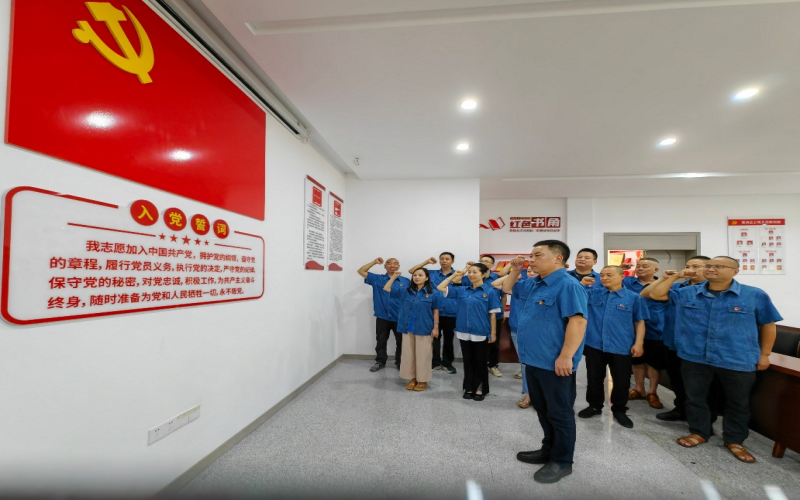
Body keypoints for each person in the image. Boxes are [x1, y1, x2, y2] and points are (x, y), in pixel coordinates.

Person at [646, 256, 781, 463]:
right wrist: (676, 276)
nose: (711, 269)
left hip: (737, 357)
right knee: (695, 398)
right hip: (694, 355)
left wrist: (765, 354)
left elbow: (768, 325)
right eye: (708, 266)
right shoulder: (687, 292)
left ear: (734, 271)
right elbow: (656, 294)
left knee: (738, 402)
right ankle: (699, 432)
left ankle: (734, 440)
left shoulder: (754, 295)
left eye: (718, 266)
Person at [503, 240, 588, 484]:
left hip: (555, 363)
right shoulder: (535, 283)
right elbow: (508, 288)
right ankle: (548, 449)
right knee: (543, 409)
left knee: (560, 413)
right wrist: (516, 270)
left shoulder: (568, 285)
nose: (532, 259)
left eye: (538, 255)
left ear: (558, 258)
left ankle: (562, 461)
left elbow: (578, 322)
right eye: (531, 255)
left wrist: (566, 356)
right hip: (533, 360)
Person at [640, 256, 709, 421]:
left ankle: (699, 418)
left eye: (696, 266)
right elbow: (647, 293)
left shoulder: (711, 289)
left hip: (697, 345)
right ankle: (681, 409)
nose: (690, 269)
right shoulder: (678, 286)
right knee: (676, 379)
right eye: (688, 265)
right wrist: (667, 278)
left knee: (697, 384)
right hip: (672, 341)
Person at [578, 266, 648, 428]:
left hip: (621, 345)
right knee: (594, 378)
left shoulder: (633, 298)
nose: (604, 278)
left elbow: (640, 321)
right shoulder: (592, 293)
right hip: (595, 344)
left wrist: (639, 343)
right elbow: (573, 297)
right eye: (602, 275)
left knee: (622, 380)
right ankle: (594, 406)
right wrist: (582, 284)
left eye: (609, 275)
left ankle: (619, 409)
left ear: (622, 276)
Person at [436, 263, 502, 401]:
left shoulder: (490, 291)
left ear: (484, 274)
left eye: (475, 272)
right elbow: (440, 287)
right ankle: (469, 387)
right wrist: (455, 275)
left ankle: (480, 389)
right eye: (470, 272)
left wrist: (493, 333)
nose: (471, 275)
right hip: (463, 330)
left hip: (481, 331)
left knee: (480, 361)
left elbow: (492, 315)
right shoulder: (462, 290)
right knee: (468, 361)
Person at [384, 268, 443, 392]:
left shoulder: (434, 293)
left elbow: (436, 310)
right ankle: (412, 378)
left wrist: (436, 327)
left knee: (423, 355)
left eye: (420, 275)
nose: (417, 277)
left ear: (427, 278)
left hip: (424, 327)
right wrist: (393, 277)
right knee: (408, 355)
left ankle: (423, 380)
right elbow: (387, 288)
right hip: (407, 328)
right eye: (415, 275)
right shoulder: (406, 291)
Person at [623, 257, 667, 409]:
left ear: (656, 270)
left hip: (655, 329)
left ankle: (652, 392)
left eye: (645, 266)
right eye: (639, 266)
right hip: (632, 329)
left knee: (654, 363)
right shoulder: (628, 282)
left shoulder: (663, 284)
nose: (640, 268)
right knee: (637, 361)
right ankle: (639, 389)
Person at [493, 261, 536, 408]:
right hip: (518, 328)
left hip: (538, 332)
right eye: (529, 271)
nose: (531, 273)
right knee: (525, 363)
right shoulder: (520, 286)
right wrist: (514, 274)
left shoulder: (547, 288)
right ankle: (528, 393)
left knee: (540, 365)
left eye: (534, 271)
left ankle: (542, 394)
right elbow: (496, 284)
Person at [408, 253, 458, 374]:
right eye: (442, 259)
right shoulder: (432, 273)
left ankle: (447, 363)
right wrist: (426, 262)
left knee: (449, 339)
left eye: (447, 259)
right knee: (434, 339)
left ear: (452, 261)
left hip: (451, 312)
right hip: (433, 312)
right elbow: (412, 271)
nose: (444, 261)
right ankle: (434, 362)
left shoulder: (458, 274)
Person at [357, 257, 411, 372]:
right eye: (389, 263)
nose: (392, 265)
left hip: (400, 317)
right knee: (381, 341)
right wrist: (374, 262)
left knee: (401, 341)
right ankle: (380, 361)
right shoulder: (377, 279)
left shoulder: (406, 281)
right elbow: (361, 271)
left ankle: (400, 362)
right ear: (385, 266)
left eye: (395, 263)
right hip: (383, 316)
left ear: (399, 266)